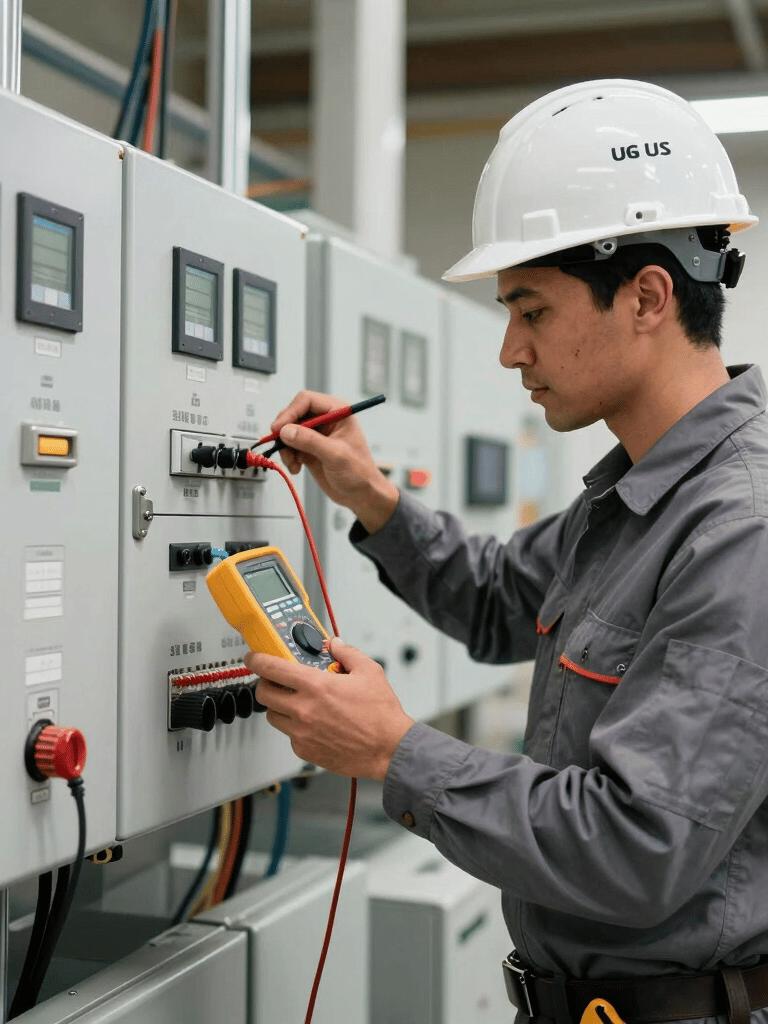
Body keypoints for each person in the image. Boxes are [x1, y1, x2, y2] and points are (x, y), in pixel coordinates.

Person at [245, 79, 768, 1024]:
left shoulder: (740, 528)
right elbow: (496, 599)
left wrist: (395, 751)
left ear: (646, 297)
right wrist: (369, 494)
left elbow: (635, 845)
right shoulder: (637, 496)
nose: (509, 352)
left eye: (531, 311)